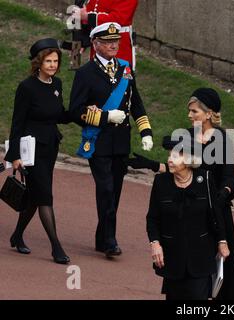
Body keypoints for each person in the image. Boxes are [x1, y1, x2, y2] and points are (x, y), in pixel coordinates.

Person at [129, 88, 234, 300]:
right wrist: (152, 165)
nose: (189, 116)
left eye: (194, 112)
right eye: (189, 111)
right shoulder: (186, 135)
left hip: (215, 210)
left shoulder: (221, 139)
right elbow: (178, 166)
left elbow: (229, 179)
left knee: (222, 275)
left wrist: (219, 196)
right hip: (188, 209)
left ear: (209, 113)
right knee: (186, 268)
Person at [69, 22, 154, 258]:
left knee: (114, 190)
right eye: (108, 42)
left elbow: (136, 103)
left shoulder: (125, 69)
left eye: (116, 41)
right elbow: (75, 110)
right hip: (98, 141)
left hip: (121, 141)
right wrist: (105, 116)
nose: (114, 45)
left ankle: (101, 236)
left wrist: (145, 131)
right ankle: (110, 240)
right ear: (95, 45)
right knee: (105, 189)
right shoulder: (85, 73)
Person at [4, 38, 71, 264]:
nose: (53, 65)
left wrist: (82, 114)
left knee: (34, 196)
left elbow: (60, 114)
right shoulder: (26, 87)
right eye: (48, 61)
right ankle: (56, 247)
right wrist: (14, 156)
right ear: (38, 63)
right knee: (45, 197)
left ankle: (17, 235)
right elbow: (17, 123)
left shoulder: (57, 84)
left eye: (55, 61)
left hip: (50, 146)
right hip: (30, 151)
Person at [147, 135, 230, 300]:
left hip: (201, 256)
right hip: (172, 257)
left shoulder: (205, 179)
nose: (169, 160)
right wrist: (155, 243)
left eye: (175, 156)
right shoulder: (161, 182)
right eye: (169, 155)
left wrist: (222, 241)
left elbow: (215, 214)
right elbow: (152, 218)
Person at [79, 0, 138, 70]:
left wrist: (88, 17)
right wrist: (84, 37)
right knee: (96, 74)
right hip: (98, 43)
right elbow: (91, 8)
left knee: (118, 75)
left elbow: (117, 18)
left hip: (118, 43)